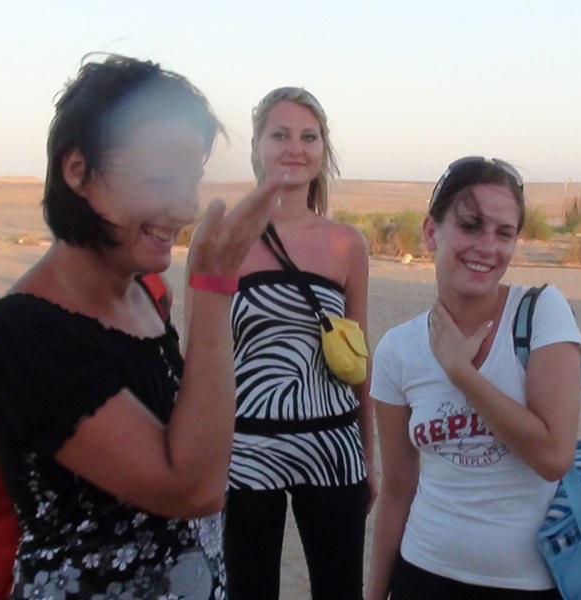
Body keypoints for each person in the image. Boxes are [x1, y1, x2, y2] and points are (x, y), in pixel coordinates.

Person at [0, 53, 289, 599]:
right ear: (78, 171)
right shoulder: (23, 332)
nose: (184, 208)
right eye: (159, 180)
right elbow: (193, 490)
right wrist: (213, 291)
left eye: (191, 182)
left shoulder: (146, 295)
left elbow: (197, 435)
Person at [366, 157, 581, 600]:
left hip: (529, 584)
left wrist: (461, 373)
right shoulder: (398, 349)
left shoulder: (540, 313)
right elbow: (398, 489)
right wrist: (373, 594)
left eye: (504, 233)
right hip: (422, 574)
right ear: (432, 232)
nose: (487, 246)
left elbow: (553, 457)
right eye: (470, 226)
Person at [217, 87, 375, 600]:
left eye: (309, 137)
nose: (295, 148)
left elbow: (359, 358)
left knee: (340, 591)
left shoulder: (346, 243)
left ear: (322, 150)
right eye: (280, 135)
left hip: (333, 445)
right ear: (257, 146)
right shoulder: (224, 239)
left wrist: (368, 457)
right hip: (246, 449)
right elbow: (204, 361)